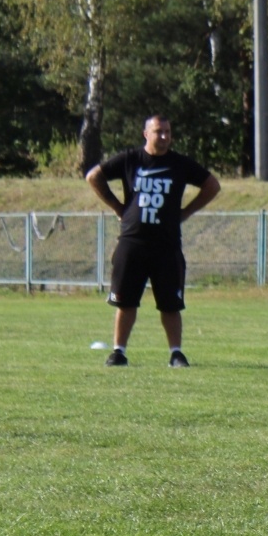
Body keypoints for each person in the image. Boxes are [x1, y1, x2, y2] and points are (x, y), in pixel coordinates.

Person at [87, 114, 221, 368]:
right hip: (133, 242)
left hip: (166, 244)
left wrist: (186, 212)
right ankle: (119, 352)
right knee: (125, 301)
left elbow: (212, 185)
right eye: (159, 131)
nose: (164, 137)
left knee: (170, 304)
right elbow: (93, 176)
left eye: (168, 132)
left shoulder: (179, 163)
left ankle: (176, 353)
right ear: (146, 134)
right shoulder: (130, 159)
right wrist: (118, 207)